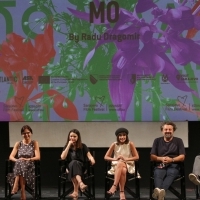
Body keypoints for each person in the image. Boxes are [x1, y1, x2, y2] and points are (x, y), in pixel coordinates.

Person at [150, 121, 185, 200]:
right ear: (162, 131)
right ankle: (161, 194)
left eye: (170, 129)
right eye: (166, 129)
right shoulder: (157, 141)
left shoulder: (179, 141)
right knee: (158, 173)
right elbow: (152, 156)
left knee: (171, 173)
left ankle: (159, 193)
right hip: (161, 164)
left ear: (173, 131)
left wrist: (171, 160)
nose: (168, 131)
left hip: (174, 165)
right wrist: (161, 158)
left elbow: (182, 156)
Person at [104, 127, 139, 200]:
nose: (122, 137)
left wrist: (126, 159)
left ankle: (114, 186)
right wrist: (115, 159)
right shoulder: (114, 144)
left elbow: (137, 157)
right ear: (117, 137)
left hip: (129, 165)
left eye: (124, 135)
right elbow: (106, 157)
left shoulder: (130, 144)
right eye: (120, 135)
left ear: (126, 136)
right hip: (117, 167)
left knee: (121, 163)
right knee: (122, 168)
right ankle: (122, 192)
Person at [8, 125, 40, 200]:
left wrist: (28, 159)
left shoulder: (34, 143)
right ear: (22, 134)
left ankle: (16, 185)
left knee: (21, 163)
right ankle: (23, 191)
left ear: (31, 133)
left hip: (29, 167)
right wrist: (17, 160)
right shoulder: (18, 143)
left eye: (28, 133)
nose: (26, 135)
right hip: (20, 167)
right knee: (20, 162)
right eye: (24, 133)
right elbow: (11, 157)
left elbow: (38, 157)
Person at [60, 128, 95, 199]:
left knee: (75, 163)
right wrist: (68, 145)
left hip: (81, 168)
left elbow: (89, 155)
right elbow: (63, 157)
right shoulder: (67, 146)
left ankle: (75, 191)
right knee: (73, 163)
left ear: (78, 137)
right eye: (71, 136)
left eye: (74, 136)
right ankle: (81, 184)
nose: (72, 138)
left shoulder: (83, 146)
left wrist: (92, 159)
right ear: (69, 137)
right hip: (69, 168)